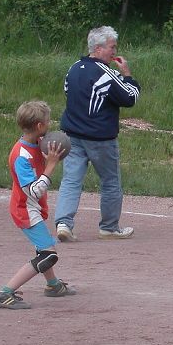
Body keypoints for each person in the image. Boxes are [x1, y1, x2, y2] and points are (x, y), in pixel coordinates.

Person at [54, 26, 141, 241]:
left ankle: (63, 224)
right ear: (99, 48)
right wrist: (128, 75)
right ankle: (109, 227)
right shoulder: (105, 74)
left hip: (72, 134)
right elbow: (130, 98)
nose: (114, 51)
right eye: (112, 47)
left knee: (71, 180)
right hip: (100, 138)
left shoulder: (74, 68)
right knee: (110, 181)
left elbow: (68, 91)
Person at [0, 101, 76, 309]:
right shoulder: (21, 156)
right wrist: (51, 166)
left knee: (42, 246)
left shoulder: (36, 143)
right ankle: (4, 293)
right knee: (49, 255)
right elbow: (34, 191)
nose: (50, 125)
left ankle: (53, 285)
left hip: (32, 207)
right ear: (39, 125)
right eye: (47, 122)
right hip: (25, 210)